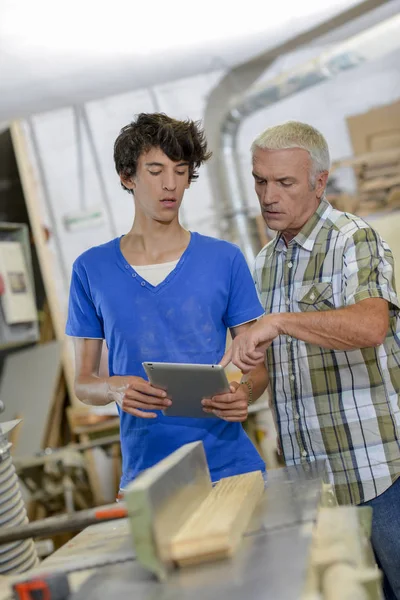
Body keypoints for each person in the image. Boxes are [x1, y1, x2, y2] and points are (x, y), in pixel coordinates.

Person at [221, 121, 400, 600]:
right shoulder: (263, 263)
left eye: (285, 182)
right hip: (313, 484)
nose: (268, 195)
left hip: (379, 472)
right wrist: (240, 393)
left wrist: (280, 321)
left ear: (319, 183)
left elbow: (370, 326)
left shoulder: (353, 239)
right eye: (260, 181)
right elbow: (263, 373)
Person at [66, 112, 268, 493]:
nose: (170, 185)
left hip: (232, 468)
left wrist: (243, 394)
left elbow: (258, 370)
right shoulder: (90, 270)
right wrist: (113, 388)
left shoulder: (224, 259)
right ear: (128, 177)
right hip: (149, 479)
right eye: (156, 171)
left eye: (180, 170)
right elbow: (84, 383)